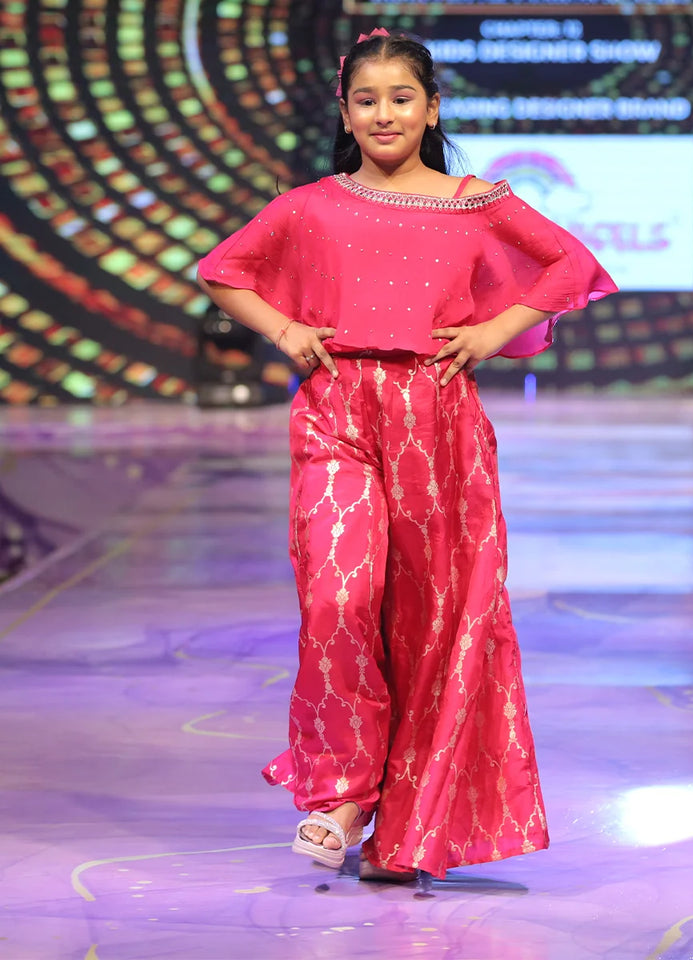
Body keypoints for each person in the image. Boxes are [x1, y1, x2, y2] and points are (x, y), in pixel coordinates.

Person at [196, 28, 617, 883]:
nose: (383, 113)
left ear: (431, 109)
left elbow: (571, 266)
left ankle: (409, 831)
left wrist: (496, 329)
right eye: (366, 99)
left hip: (438, 421)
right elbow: (223, 271)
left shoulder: (476, 200)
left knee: (434, 624)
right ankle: (345, 791)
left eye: (400, 98)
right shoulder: (310, 203)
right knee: (338, 594)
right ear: (344, 114)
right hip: (336, 410)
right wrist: (283, 329)